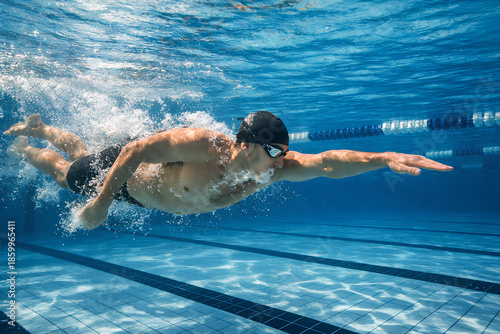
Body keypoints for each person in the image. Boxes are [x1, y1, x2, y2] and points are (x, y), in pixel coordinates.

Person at [4, 112, 453, 230]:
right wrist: (101, 202)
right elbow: (138, 149)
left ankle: (44, 127)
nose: (281, 160)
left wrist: (382, 159)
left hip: (141, 195)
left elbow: (326, 163)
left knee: (80, 149)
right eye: (274, 150)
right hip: (123, 176)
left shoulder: (269, 172)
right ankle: (29, 145)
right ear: (245, 144)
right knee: (66, 173)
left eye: (283, 152)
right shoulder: (208, 147)